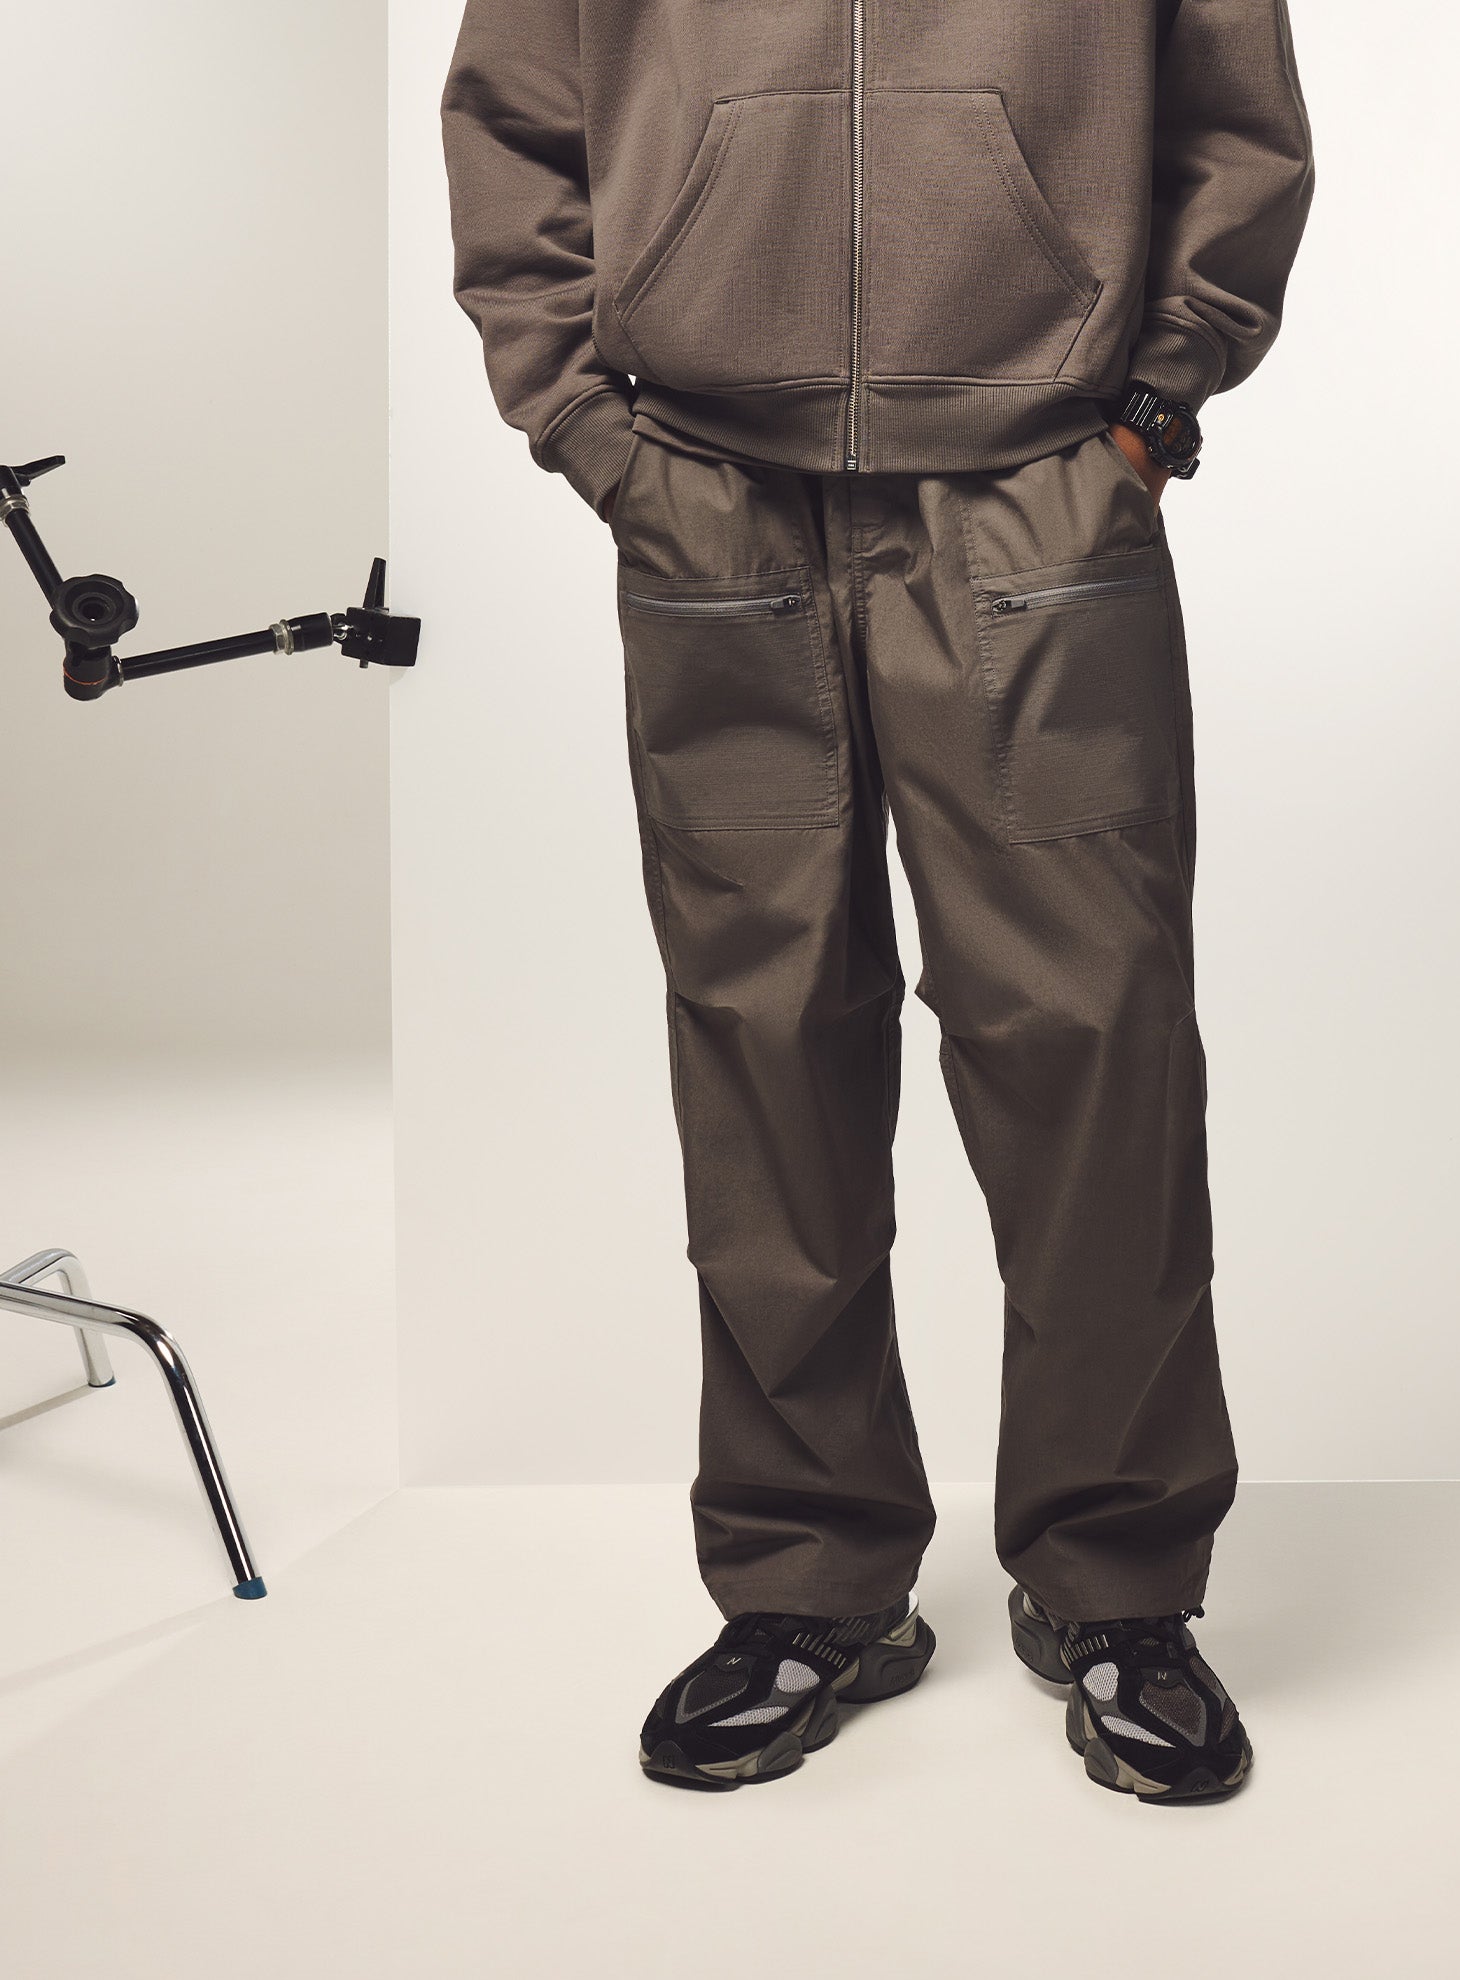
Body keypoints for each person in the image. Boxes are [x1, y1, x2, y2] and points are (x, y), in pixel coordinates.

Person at [442, 0, 1313, 1802]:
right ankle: (809, 1583)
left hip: (1037, 502)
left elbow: (1239, 127)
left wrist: (1154, 407)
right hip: (711, 504)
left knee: (1093, 1049)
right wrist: (591, 432)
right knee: (763, 1048)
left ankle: (1118, 1587)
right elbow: (513, 121)